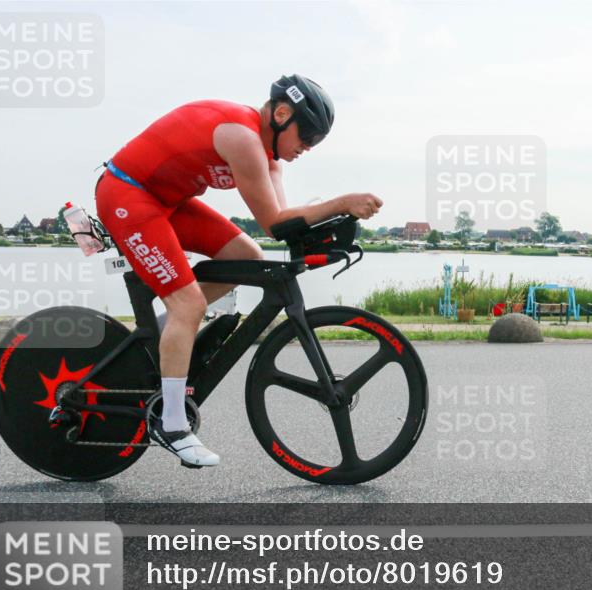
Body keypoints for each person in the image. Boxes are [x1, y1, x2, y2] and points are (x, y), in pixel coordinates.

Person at [95, 74, 383, 468]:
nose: (307, 148)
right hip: (128, 194)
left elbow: (280, 225)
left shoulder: (270, 158)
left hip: (168, 201)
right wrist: (341, 202)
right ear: (282, 114)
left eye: (315, 143)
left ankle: (160, 337)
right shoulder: (243, 138)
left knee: (247, 255)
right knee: (189, 305)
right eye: (307, 137)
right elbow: (272, 218)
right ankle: (173, 424)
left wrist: (330, 226)